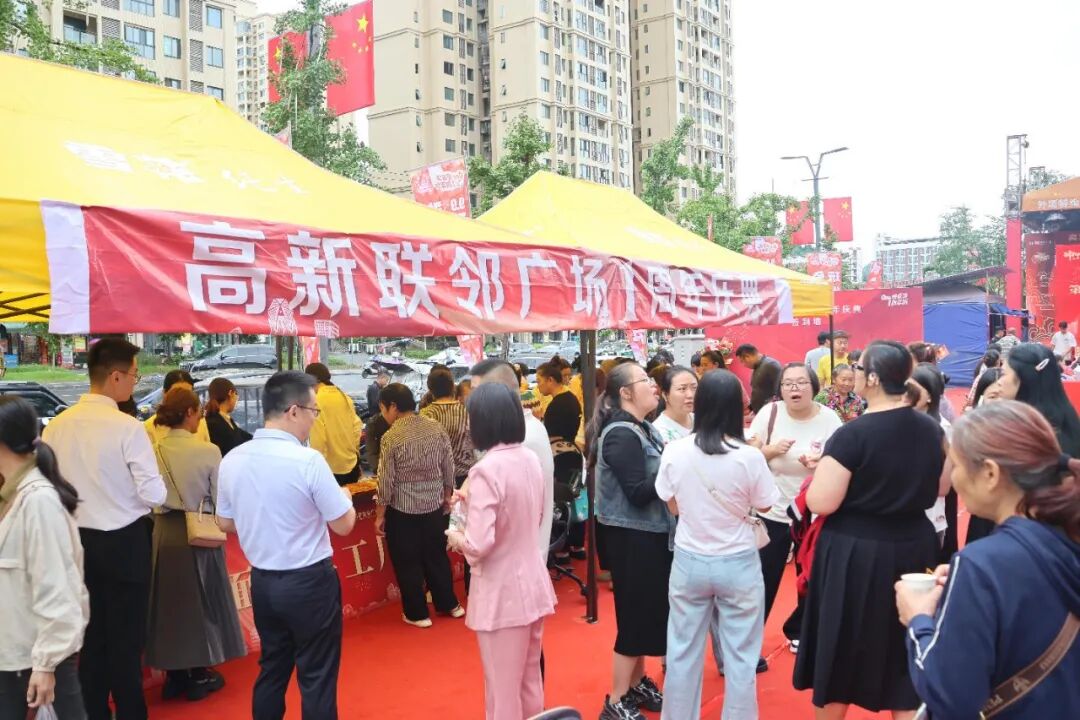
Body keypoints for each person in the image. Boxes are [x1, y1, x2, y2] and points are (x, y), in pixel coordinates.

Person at [894, 401, 1079, 719]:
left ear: (990, 473)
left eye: (955, 465)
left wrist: (918, 619)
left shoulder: (982, 564)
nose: (953, 478)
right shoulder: (1063, 538)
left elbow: (951, 696)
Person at [794, 340, 946, 719]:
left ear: (874, 378)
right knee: (906, 650)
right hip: (914, 545)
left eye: (859, 368)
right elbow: (942, 487)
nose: (854, 374)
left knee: (841, 647)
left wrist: (822, 471)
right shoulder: (931, 429)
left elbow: (822, 502)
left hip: (855, 551)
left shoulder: (853, 434)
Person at [216, 371, 357, 720]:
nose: (314, 419)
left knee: (272, 668)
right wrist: (344, 497)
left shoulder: (233, 458)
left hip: (263, 581)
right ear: (294, 411)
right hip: (309, 582)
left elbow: (225, 522)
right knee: (317, 675)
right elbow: (343, 525)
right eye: (314, 411)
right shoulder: (307, 460)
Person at [42, 338, 167, 720]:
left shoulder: (56, 427)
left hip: (74, 543)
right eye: (134, 375)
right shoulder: (127, 427)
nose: (134, 382)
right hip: (125, 543)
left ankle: (93, 712)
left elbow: (48, 489)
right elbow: (155, 494)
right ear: (115, 376)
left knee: (89, 640)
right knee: (126, 644)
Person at [656, 370, 779, 720]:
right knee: (741, 656)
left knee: (681, 651)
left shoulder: (675, 450)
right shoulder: (749, 456)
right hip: (738, 560)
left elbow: (670, 503)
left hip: (689, 559)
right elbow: (766, 504)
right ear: (737, 408)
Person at [445, 384, 558, 720]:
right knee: (529, 681)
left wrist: (455, 536)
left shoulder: (487, 469)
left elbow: (478, 545)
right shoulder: (529, 458)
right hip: (532, 582)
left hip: (502, 593)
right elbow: (533, 514)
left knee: (502, 690)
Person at [146, 387, 244, 702]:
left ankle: (175, 675)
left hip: (164, 530)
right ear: (189, 413)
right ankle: (200, 673)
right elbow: (220, 498)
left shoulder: (153, 450)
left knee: (168, 605)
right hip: (201, 528)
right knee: (204, 602)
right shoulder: (208, 451)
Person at [590, 362, 671, 720]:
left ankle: (636, 685)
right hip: (632, 538)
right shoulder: (621, 434)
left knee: (646, 613)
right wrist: (675, 470)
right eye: (645, 380)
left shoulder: (644, 428)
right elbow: (637, 492)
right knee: (637, 615)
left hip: (648, 534)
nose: (654, 386)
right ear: (625, 392)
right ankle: (616, 698)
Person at [0, 397, 89, 720]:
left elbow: (58, 588)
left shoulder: (38, 501)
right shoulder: (12, 493)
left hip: (35, 661)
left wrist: (46, 665)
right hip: (14, 657)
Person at [748, 363, 842, 655]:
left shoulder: (829, 419)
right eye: (788, 384)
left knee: (810, 577)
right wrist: (770, 451)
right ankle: (749, 639)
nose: (794, 389)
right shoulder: (769, 413)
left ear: (814, 387)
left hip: (813, 513)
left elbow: (842, 460)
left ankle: (802, 630)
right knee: (763, 578)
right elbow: (748, 454)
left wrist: (821, 462)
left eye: (801, 382)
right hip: (773, 511)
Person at [374, 383, 464, 628]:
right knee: (437, 555)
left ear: (393, 406)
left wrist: (380, 515)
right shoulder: (435, 427)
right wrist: (447, 494)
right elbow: (448, 466)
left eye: (383, 408)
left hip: (403, 509)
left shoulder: (391, 437)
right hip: (434, 504)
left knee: (407, 561)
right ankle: (450, 604)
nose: (383, 413)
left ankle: (417, 614)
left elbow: (385, 481)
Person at [469, 359, 555, 562]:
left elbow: (481, 541)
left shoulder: (521, 441)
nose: (472, 400)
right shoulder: (526, 430)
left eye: (476, 391)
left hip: (511, 562)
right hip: (522, 559)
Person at [907, 364, 958, 561]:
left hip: (929, 517)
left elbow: (943, 488)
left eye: (913, 389)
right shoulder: (901, 423)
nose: (906, 394)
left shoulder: (942, 429)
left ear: (929, 397)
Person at [995, 342, 1080, 457]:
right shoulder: (1066, 420)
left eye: (1003, 374)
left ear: (1024, 378)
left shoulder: (1027, 436)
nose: (998, 382)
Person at [536, 362, 584, 557]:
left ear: (550, 380)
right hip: (573, 454)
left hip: (560, 456)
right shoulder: (571, 399)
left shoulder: (557, 405)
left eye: (539, 381)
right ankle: (576, 545)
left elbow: (550, 435)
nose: (538, 386)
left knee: (560, 499)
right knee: (575, 498)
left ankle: (561, 548)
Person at [306, 363, 363, 486]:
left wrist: (317, 470)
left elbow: (318, 441)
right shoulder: (345, 397)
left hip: (330, 471)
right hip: (351, 465)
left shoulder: (316, 402)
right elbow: (357, 428)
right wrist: (355, 456)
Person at [420, 368, 475, 489]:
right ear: (452, 387)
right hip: (465, 476)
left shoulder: (425, 414)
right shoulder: (467, 412)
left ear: (430, 389)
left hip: (438, 477)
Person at [144, 370, 210, 446]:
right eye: (176, 393)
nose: (182, 399)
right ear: (164, 393)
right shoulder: (149, 428)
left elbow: (207, 449)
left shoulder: (199, 422)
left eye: (187, 394)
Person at [204, 377, 253, 457]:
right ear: (230, 393)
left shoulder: (226, 419)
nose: (237, 399)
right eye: (236, 394)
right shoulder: (214, 423)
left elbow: (244, 436)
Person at [651, 367, 697, 444]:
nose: (690, 395)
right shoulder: (658, 431)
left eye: (694, 388)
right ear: (665, 395)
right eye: (682, 389)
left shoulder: (702, 422)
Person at [735, 344, 783, 414]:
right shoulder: (757, 367)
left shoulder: (771, 365)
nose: (743, 365)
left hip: (769, 413)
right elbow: (759, 391)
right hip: (761, 413)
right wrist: (751, 407)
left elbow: (780, 392)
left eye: (742, 361)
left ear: (747, 357)